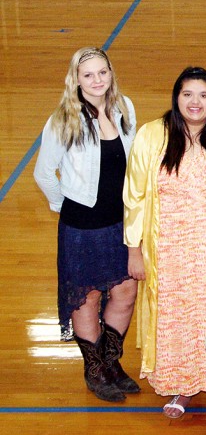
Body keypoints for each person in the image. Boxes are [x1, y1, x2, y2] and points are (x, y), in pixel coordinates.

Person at [124, 67, 206, 419]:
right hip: (168, 250)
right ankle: (181, 386)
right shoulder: (152, 135)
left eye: (203, 95)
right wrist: (134, 250)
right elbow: (134, 197)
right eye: (187, 95)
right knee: (177, 318)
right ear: (176, 97)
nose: (195, 102)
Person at [33, 47, 138, 402]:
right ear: (76, 79)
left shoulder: (125, 107)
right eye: (88, 74)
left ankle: (111, 362)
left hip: (120, 222)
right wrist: (67, 205)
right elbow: (44, 173)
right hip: (82, 228)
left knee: (125, 292)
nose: (97, 81)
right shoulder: (64, 119)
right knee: (88, 297)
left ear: (111, 73)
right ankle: (94, 371)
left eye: (102, 72)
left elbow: (134, 161)